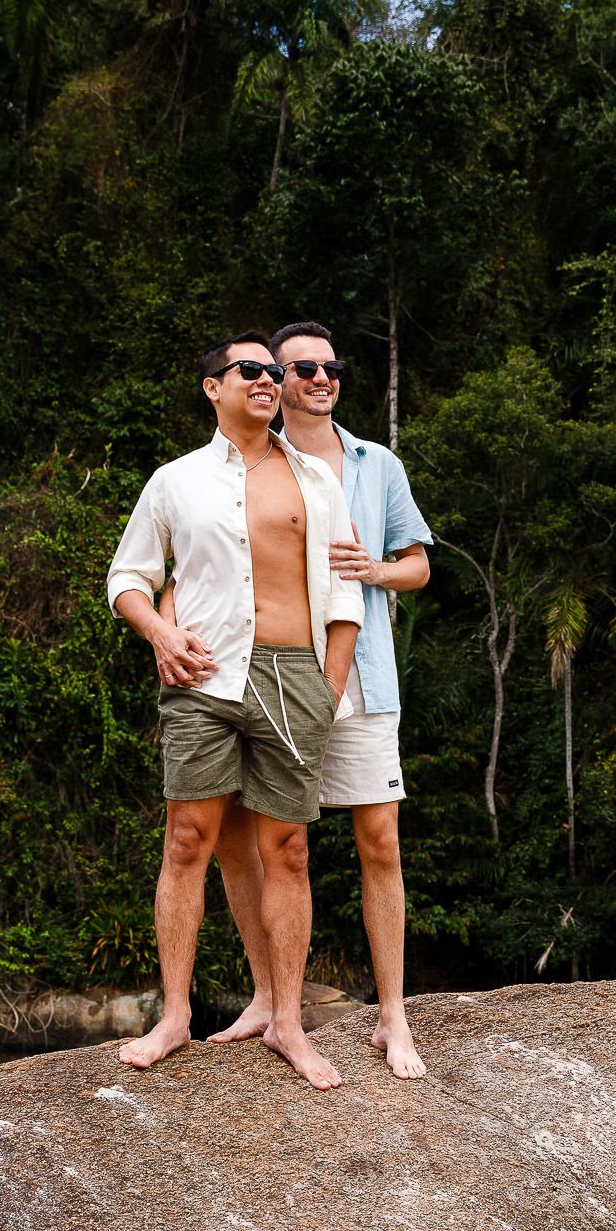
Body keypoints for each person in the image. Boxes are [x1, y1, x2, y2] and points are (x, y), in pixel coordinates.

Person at [164, 321, 434, 1078]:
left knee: (378, 840)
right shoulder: (240, 464)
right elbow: (192, 566)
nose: (320, 378)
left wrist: (372, 570)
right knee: (249, 843)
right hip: (254, 680)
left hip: (360, 677)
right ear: (270, 382)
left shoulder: (371, 465)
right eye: (301, 368)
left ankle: (391, 1015)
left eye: (331, 367)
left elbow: (415, 566)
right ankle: (266, 998)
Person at [105, 331, 363, 1089]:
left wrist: (328, 687)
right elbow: (127, 574)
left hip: (294, 677)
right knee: (188, 840)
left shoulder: (315, 478)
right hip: (203, 677)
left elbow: (345, 591)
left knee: (288, 851)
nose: (267, 378)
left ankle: (286, 1021)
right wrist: (157, 629)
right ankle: (176, 1017)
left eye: (272, 370)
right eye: (248, 369)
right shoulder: (174, 481)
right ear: (212, 387)